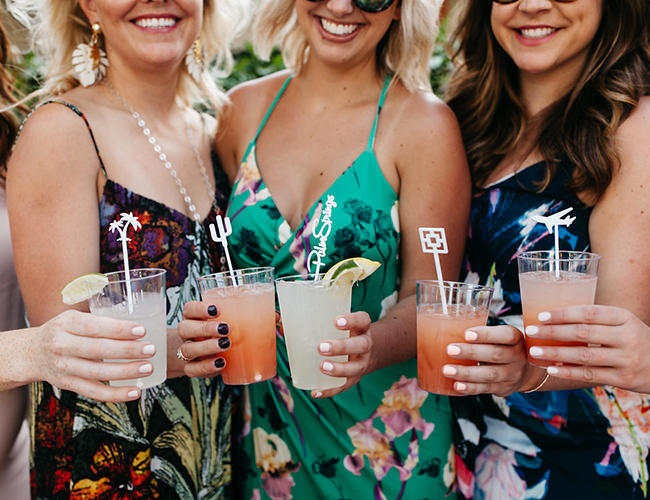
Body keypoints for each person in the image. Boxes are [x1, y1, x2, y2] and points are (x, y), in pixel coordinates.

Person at [180, 0, 471, 498]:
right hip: (272, 447)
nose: (342, 6)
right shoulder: (241, 112)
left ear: (401, 8)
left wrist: (369, 346)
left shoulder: (424, 127)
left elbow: (435, 296)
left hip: (391, 448)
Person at [6, 0, 242, 498]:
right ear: (87, 5)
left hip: (210, 465)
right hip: (109, 471)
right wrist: (213, 344)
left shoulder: (208, 132)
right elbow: (72, 348)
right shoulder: (63, 131)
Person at [440, 0, 650, 497]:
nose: (532, 4)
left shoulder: (632, 127)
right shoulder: (465, 117)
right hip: (476, 453)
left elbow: (617, 340)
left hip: (585, 464)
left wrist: (525, 366)